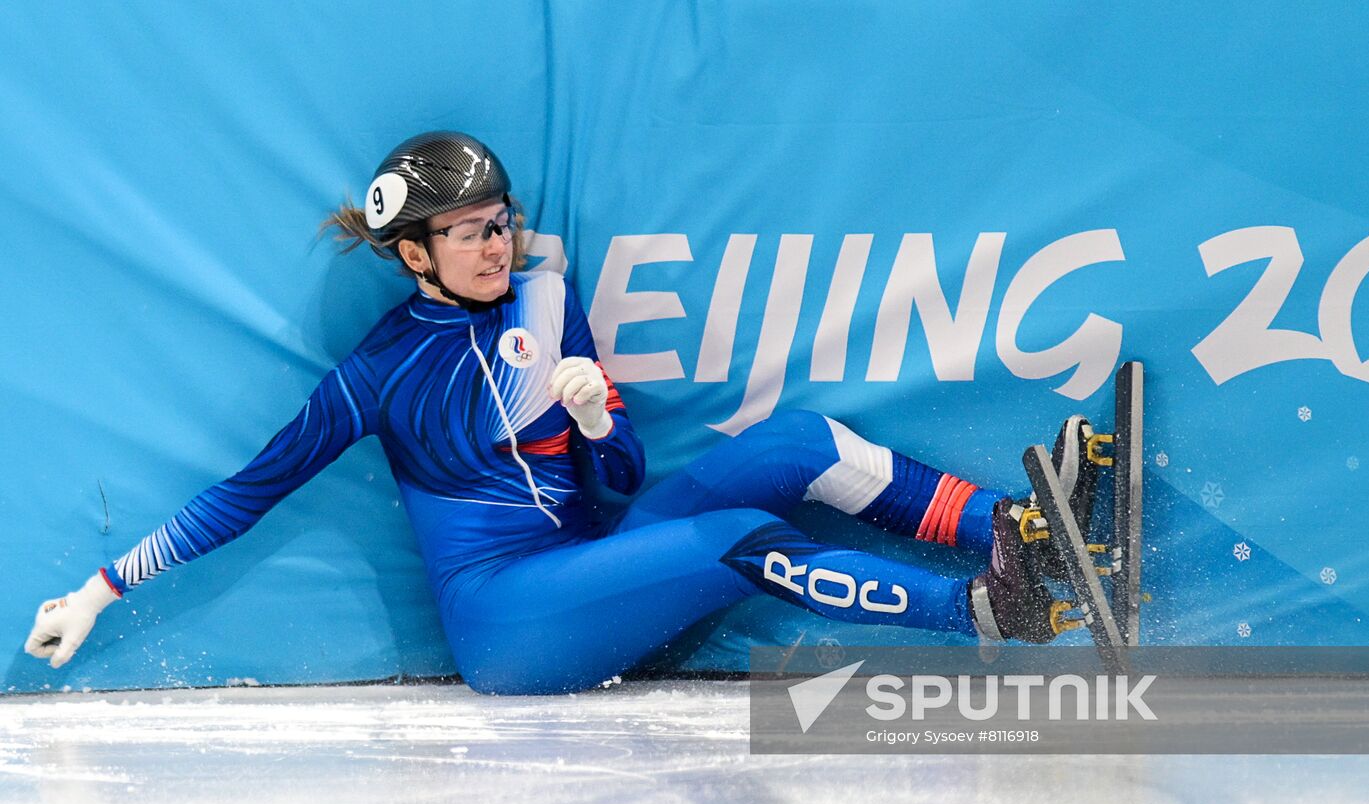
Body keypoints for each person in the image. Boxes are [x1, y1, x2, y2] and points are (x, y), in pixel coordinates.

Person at [25, 131, 1101, 694]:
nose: (497, 244)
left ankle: (1022, 532)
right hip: (513, 626)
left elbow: (617, 484)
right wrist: (101, 586)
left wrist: (595, 422)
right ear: (414, 254)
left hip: (600, 554)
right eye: (469, 233)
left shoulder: (545, 297)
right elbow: (245, 493)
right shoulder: (376, 374)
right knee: (734, 539)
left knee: (796, 441)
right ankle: (979, 615)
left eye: (501, 222)